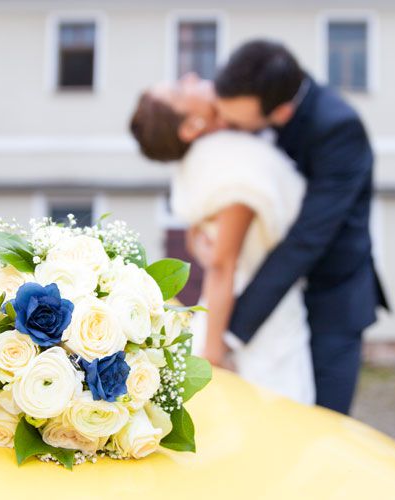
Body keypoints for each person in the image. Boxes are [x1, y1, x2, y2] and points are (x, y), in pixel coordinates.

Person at [213, 40, 389, 415]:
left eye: (239, 124)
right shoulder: (258, 101)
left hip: (333, 298)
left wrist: (229, 331)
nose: (229, 129)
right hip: (273, 295)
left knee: (323, 426)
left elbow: (308, 238)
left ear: (281, 111)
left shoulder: (339, 128)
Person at [129, 73, 315, 404]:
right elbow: (221, 264)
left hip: (247, 303)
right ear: (190, 126)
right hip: (253, 316)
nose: (189, 77)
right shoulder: (230, 164)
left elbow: (201, 241)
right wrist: (214, 354)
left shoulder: (212, 156)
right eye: (178, 88)